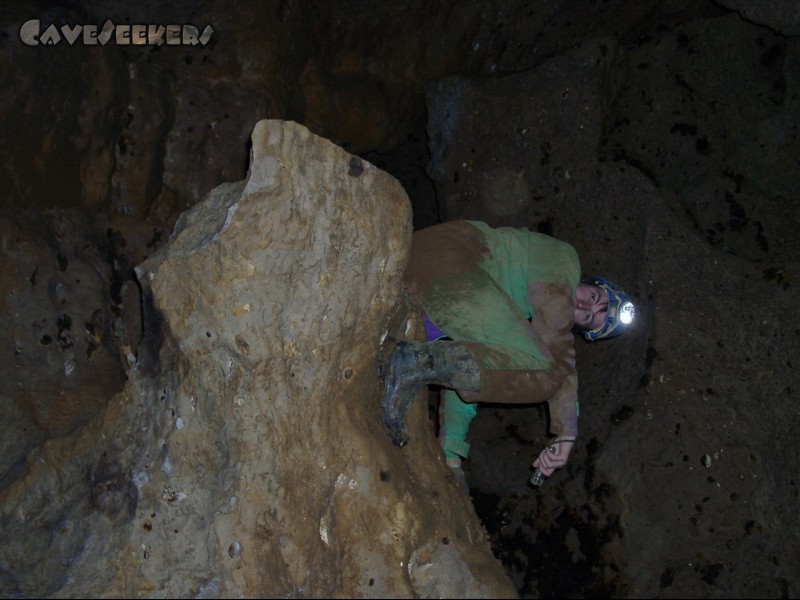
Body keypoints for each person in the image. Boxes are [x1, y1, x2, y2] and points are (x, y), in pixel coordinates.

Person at [379, 219, 635, 489]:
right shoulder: (563, 261)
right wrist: (567, 431)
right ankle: (409, 365)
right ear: (591, 282)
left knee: (505, 364)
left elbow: (481, 369)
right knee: (546, 373)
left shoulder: (512, 312)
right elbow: (558, 360)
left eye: (587, 316)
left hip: (421, 290)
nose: (583, 305)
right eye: (594, 297)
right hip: (450, 260)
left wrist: (450, 454)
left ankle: (411, 366)